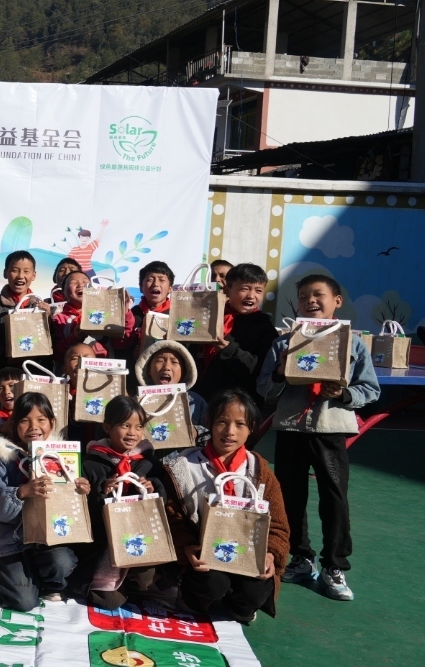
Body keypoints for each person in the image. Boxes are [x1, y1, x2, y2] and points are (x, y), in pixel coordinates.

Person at [259, 275, 380, 600]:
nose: (310, 301)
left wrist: (343, 394)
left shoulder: (353, 343)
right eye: (303, 296)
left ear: (336, 301)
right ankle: (301, 557)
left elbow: (370, 389)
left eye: (318, 295)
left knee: (335, 498)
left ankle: (334, 565)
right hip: (291, 429)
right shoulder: (284, 344)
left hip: (330, 428)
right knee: (290, 497)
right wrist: (279, 373)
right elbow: (264, 390)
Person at [163, 390, 289, 623]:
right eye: (222, 422)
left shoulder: (259, 471)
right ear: (209, 422)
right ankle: (192, 598)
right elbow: (171, 517)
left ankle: (238, 604)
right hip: (204, 557)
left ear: (251, 428)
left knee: (255, 591)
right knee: (211, 583)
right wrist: (186, 547)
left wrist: (271, 554)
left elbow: (279, 526)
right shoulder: (184, 467)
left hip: (246, 556)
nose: (230, 431)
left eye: (240, 424)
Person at [0, 392, 88, 610]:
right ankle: (0, 576)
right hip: (9, 542)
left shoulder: (61, 456)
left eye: (41, 420)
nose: (33, 427)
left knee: (62, 562)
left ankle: (46, 583)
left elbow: (68, 504)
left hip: (46, 540)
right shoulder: (3, 457)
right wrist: (21, 492)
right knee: (25, 601)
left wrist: (81, 490)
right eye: (25, 420)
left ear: (52, 423)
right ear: (14, 425)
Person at [77, 396, 170, 608]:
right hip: (104, 543)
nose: (132, 433)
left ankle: (133, 582)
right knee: (110, 602)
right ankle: (111, 584)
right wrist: (102, 493)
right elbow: (85, 513)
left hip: (140, 534)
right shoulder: (91, 463)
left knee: (146, 577)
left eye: (139, 427)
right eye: (125, 425)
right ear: (107, 427)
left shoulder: (149, 463)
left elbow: (162, 506)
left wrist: (153, 490)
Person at [194, 263, 277, 407]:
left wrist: (228, 349)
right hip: (200, 400)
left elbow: (262, 372)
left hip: (239, 405)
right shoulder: (208, 317)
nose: (251, 295)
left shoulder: (264, 328)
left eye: (258, 290)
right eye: (244, 289)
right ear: (227, 290)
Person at [134, 340, 208, 431]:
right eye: (159, 360)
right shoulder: (136, 402)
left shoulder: (195, 402)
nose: (166, 367)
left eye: (174, 362)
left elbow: (210, 434)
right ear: (148, 369)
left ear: (184, 371)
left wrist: (196, 432)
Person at [126, 260, 173, 352]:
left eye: (161, 280)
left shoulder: (176, 316)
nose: (156, 284)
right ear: (141, 287)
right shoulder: (132, 315)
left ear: (170, 288)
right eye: (149, 279)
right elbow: (120, 345)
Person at [51, 270, 91, 361]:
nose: (80, 285)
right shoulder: (58, 319)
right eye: (73, 282)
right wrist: (74, 337)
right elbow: (56, 352)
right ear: (63, 295)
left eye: (85, 281)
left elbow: (119, 343)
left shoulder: (105, 313)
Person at [0, 367, 23, 437]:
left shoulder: (35, 411)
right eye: (0, 388)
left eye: (12, 386)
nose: (6, 392)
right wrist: (3, 428)